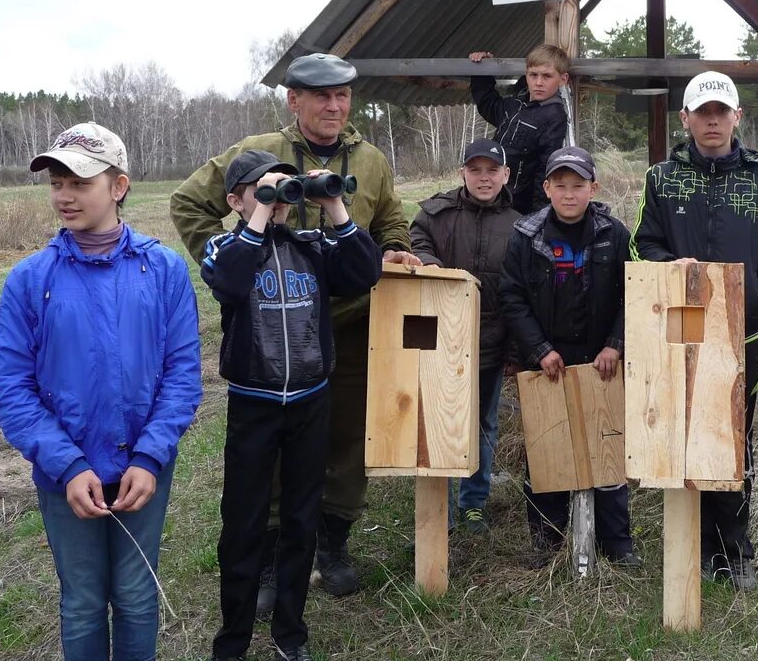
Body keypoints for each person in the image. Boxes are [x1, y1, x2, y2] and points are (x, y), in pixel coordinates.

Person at [170, 53, 420, 611]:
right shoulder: (260, 150)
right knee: (276, 448)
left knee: (350, 435)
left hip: (351, 324)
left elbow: (391, 220)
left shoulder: (372, 160)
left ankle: (332, 542)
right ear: (294, 100)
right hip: (271, 330)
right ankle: (272, 554)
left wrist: (399, 247)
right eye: (321, 96)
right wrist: (236, 263)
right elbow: (189, 201)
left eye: (343, 96)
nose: (335, 106)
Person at [0, 122, 202, 661]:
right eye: (56, 181)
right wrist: (67, 463)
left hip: (141, 472)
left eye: (80, 180)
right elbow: (10, 385)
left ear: (119, 185)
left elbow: (182, 373)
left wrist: (151, 456)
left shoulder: (164, 270)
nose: (64, 194)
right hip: (65, 476)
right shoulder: (30, 279)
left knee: (135, 594)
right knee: (82, 601)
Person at [194, 152, 383, 661]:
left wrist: (334, 206)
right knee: (243, 525)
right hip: (253, 404)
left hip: (309, 402)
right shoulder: (224, 247)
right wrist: (259, 215)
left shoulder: (311, 245)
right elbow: (228, 283)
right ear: (235, 201)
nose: (275, 198)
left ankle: (290, 639)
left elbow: (364, 272)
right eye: (259, 189)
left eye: (281, 188)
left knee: (301, 523)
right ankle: (229, 646)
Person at [631, 71, 758, 590]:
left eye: (720, 112)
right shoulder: (661, 179)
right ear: (684, 119)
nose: (712, 121)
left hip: (741, 332)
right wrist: (677, 274)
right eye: (701, 112)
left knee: (732, 435)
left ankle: (733, 549)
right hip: (683, 326)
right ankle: (691, 542)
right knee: (683, 428)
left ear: (737, 118)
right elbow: (643, 245)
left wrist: (752, 296)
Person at [499, 146, 640, 567]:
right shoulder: (526, 236)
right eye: (560, 185)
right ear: (546, 188)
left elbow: (632, 294)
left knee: (608, 445)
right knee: (547, 448)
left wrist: (615, 344)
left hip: (601, 357)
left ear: (593, 188)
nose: (569, 194)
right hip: (547, 358)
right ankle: (548, 541)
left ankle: (617, 544)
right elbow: (512, 297)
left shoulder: (614, 234)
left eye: (578, 185)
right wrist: (539, 350)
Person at [409, 138, 521, 534]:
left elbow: (520, 289)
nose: (484, 178)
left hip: (490, 341)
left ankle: (473, 502)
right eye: (476, 170)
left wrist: (515, 347)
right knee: (433, 419)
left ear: (505, 175)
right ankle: (437, 506)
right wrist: (429, 262)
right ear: (463, 173)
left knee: (482, 423)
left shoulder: (518, 224)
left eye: (492, 170)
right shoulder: (436, 213)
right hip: (439, 339)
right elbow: (414, 238)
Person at [468, 44, 570, 214]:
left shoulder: (554, 116)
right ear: (526, 75)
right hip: (491, 194)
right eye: (533, 75)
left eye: (547, 76)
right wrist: (482, 70)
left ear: (563, 79)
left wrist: (539, 217)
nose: (538, 82)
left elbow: (545, 169)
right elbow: (488, 104)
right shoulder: (515, 103)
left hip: (518, 205)